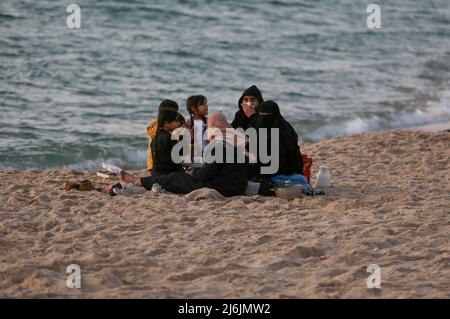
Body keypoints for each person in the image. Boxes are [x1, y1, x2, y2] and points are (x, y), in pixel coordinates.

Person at [120, 112, 248, 197]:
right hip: (238, 187)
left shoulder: (219, 145)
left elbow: (205, 174)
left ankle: (138, 180)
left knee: (176, 178)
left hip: (223, 189)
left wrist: (192, 172)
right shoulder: (233, 141)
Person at [254, 100, 303, 178]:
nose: (264, 118)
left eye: (268, 114)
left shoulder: (284, 130)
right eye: (261, 114)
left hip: (284, 172)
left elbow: (288, 157)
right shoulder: (259, 127)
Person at [146, 99, 179, 171]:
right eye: (175, 112)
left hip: (153, 164)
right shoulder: (158, 127)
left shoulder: (155, 124)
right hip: (158, 165)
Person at [150, 108, 184, 176]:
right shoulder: (169, 137)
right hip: (169, 174)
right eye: (176, 121)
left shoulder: (155, 137)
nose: (178, 123)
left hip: (156, 173)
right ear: (167, 123)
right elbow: (181, 154)